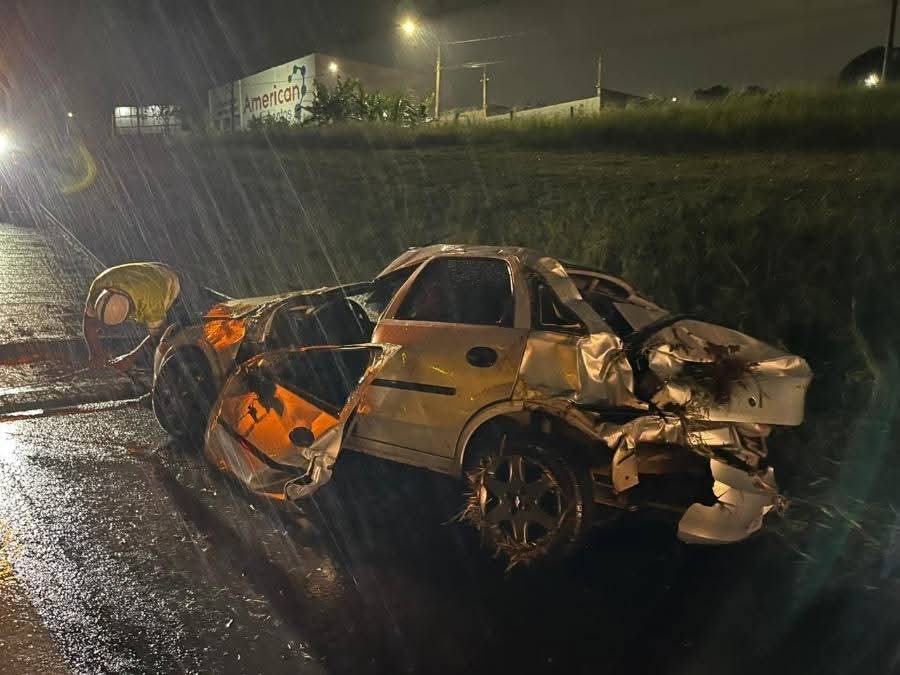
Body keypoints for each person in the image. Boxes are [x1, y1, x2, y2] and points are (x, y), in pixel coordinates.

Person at [83, 262, 184, 372]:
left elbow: (158, 335)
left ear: (131, 310)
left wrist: (130, 358)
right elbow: (89, 322)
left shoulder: (152, 302)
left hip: (170, 280)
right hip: (149, 270)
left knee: (173, 334)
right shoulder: (99, 285)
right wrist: (95, 354)